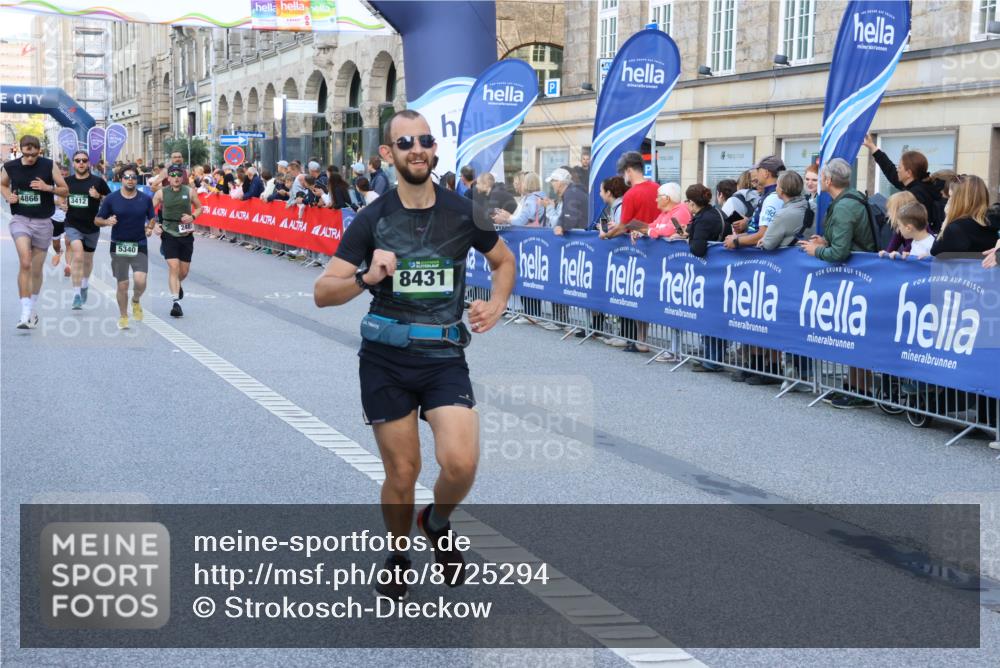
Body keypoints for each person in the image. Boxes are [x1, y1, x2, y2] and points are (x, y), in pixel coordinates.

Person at [313, 110, 515, 601]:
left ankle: (437, 521)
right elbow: (322, 291)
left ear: (435, 150)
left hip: (444, 354)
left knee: (461, 463)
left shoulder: (465, 211)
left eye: (424, 139)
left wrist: (498, 302)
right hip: (386, 358)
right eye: (405, 143)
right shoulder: (373, 217)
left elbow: (503, 260)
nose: (416, 148)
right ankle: (399, 553)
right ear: (389, 154)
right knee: (403, 473)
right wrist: (367, 278)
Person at [800, 158, 877, 408]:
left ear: (829, 180)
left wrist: (817, 252)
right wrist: (824, 241)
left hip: (857, 278)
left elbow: (840, 252)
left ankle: (861, 390)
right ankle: (853, 385)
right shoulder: (845, 201)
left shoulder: (845, 206)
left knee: (857, 334)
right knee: (851, 333)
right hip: (852, 276)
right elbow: (841, 242)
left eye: (822, 176)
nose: (820, 180)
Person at [2, 135, 69, 329]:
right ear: (21, 149)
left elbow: (65, 190)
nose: (30, 158)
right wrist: (9, 197)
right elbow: (2, 184)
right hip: (20, 219)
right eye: (26, 153)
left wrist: (47, 187)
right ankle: (24, 313)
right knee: (25, 262)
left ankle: (31, 308)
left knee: (37, 269)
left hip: (43, 222)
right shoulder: (11, 166)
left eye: (34, 154)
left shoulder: (48, 165)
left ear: (39, 151)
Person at [95, 165, 156, 330]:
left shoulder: (145, 198)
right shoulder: (111, 199)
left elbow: (152, 218)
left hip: (139, 244)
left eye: (133, 177)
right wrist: (107, 222)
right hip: (119, 245)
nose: (130, 180)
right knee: (122, 284)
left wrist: (150, 228)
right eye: (127, 177)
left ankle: (135, 300)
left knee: (140, 281)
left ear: (137, 180)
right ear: (121, 179)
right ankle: (123, 316)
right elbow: (97, 220)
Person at [681, 183, 726, 372]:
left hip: (710, 271)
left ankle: (712, 360)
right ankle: (711, 357)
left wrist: (688, 239)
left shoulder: (703, 218)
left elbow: (698, 249)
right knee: (714, 314)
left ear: (692, 202)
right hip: (719, 269)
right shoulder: (715, 212)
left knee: (710, 315)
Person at [862, 134, 945, 236]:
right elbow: (890, 169)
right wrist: (872, 147)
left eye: (900, 167)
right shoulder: (920, 185)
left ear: (909, 173)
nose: (897, 169)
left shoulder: (916, 195)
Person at [152, 165, 203, 317]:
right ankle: (176, 303)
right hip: (168, 231)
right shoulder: (161, 193)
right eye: (173, 175)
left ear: (183, 177)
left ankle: (177, 284)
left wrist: (192, 217)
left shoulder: (189, 191)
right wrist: (154, 224)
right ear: (168, 177)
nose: (176, 177)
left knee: (184, 271)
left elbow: (200, 208)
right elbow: (148, 209)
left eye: (179, 175)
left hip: (186, 233)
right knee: (173, 267)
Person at [64, 150, 111, 309]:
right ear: (73, 163)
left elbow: (110, 200)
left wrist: (98, 196)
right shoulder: (67, 181)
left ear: (89, 163)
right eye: (78, 160)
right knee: (78, 256)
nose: (81, 163)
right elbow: (58, 197)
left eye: (84, 160)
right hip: (72, 224)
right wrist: (62, 203)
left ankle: (84, 285)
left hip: (92, 226)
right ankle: (76, 294)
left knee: (88, 259)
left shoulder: (98, 181)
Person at [931, 174, 998, 256]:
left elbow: (935, 252)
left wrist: (947, 220)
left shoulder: (957, 228)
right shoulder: (992, 221)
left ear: (960, 200)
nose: (949, 201)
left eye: (951, 197)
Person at [725, 155, 783, 249]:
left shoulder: (772, 198)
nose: (756, 174)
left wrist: (736, 241)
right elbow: (758, 228)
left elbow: (763, 235)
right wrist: (746, 224)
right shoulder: (768, 194)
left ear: (766, 173)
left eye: (758, 170)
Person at [759, 170, 811, 249]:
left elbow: (768, 245)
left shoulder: (782, 215)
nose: (775, 188)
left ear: (781, 191)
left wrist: (764, 241)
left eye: (777, 185)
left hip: (790, 259)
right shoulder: (814, 207)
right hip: (813, 257)